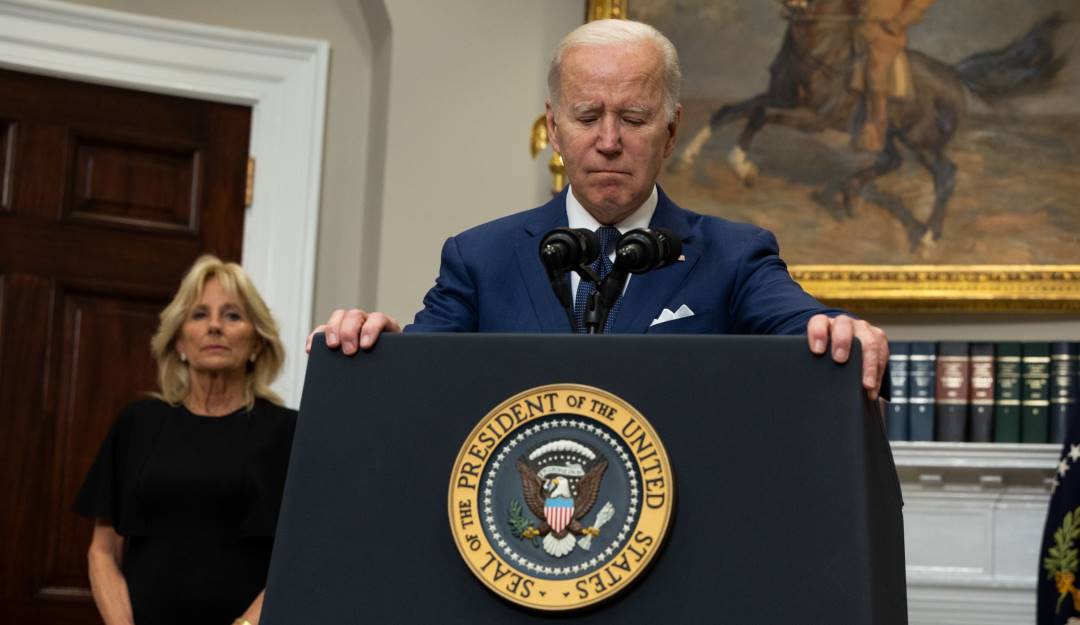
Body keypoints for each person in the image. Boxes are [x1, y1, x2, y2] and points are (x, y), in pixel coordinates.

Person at [309, 19, 889, 400]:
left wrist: (842, 331)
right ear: (554, 127)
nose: (609, 141)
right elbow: (418, 376)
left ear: (671, 130)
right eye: (587, 117)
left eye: (633, 119)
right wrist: (381, 349)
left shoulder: (734, 256)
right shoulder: (480, 257)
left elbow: (805, 326)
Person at [75, 255, 295, 625]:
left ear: (257, 342)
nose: (215, 326)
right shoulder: (138, 424)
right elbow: (103, 551)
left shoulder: (288, 434)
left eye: (232, 315)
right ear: (178, 340)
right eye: (199, 315)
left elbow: (298, 557)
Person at [852, 0, 936, 151]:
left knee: (876, 72)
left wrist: (898, 23)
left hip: (885, 33)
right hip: (861, 29)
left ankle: (875, 133)